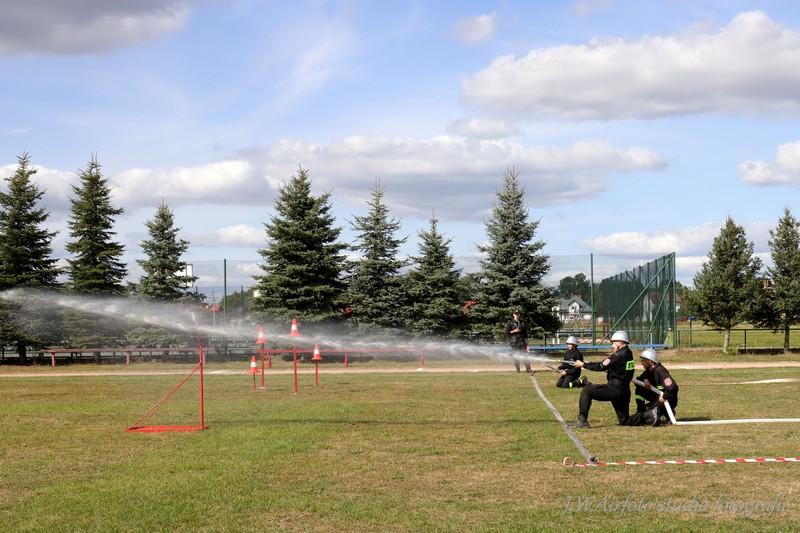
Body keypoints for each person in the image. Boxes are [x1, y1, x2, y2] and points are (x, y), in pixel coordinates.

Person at [570, 330, 634, 428]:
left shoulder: (618, 355)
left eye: (614, 342)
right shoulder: (628, 353)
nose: (612, 345)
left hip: (615, 389)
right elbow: (617, 368)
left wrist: (583, 364)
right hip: (624, 391)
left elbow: (601, 366)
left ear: (621, 342)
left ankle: (582, 421)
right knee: (625, 420)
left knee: (587, 390)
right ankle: (648, 415)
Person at [628, 348, 679, 426]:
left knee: (645, 413)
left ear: (650, 361)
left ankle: (665, 411)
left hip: (668, 400)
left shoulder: (660, 370)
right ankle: (644, 410)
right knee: (640, 389)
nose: (641, 363)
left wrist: (664, 396)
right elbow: (638, 382)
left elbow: (673, 387)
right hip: (656, 398)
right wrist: (644, 380)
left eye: (643, 360)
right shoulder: (649, 370)